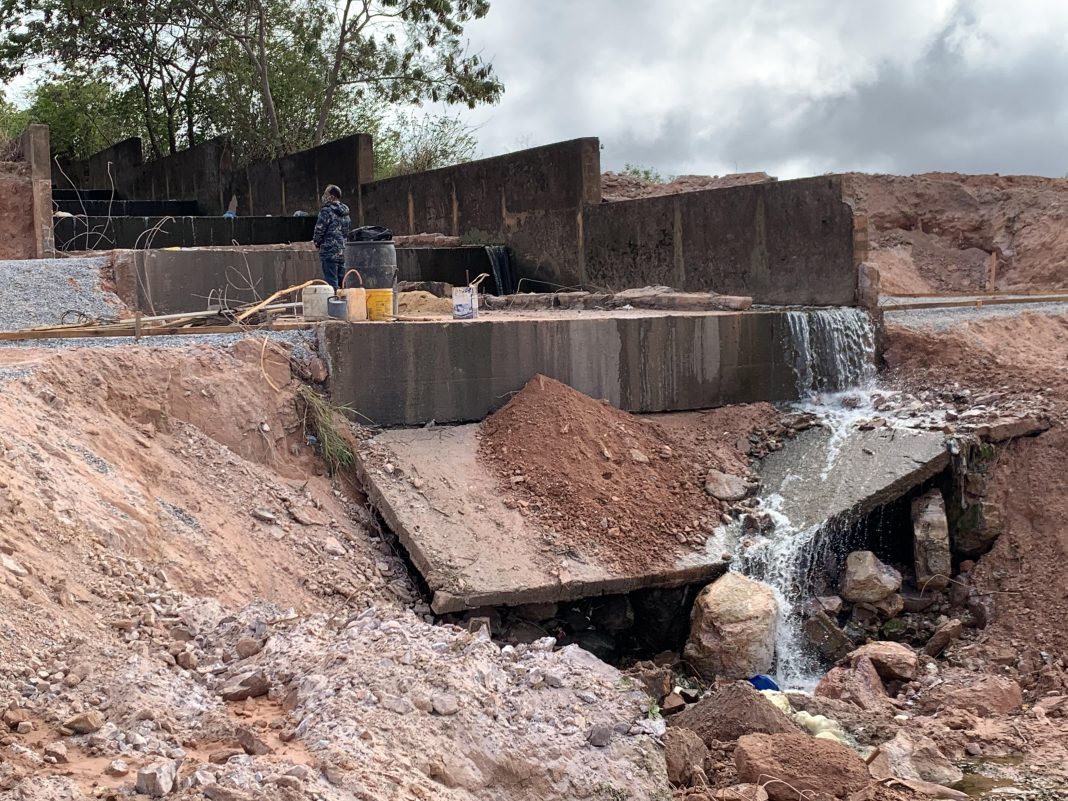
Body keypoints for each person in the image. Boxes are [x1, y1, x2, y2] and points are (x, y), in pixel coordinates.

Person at [312, 184, 351, 289]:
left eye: (326, 193)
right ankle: (344, 304)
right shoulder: (346, 213)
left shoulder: (326, 211)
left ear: (332, 196)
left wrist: (317, 243)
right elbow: (347, 232)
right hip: (342, 252)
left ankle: (334, 304)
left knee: (331, 285)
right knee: (342, 283)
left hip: (329, 252)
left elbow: (319, 230)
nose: (324, 196)